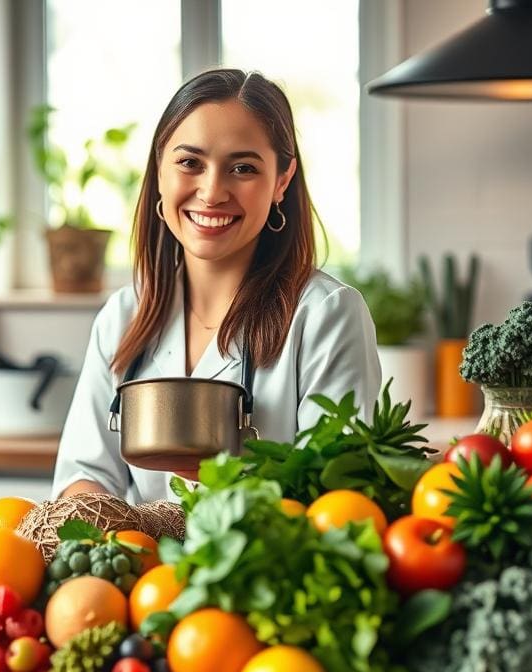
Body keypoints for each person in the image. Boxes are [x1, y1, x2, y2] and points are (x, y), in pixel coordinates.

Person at [51, 69, 381, 504]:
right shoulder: (124, 315)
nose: (211, 192)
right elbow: (83, 475)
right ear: (159, 169)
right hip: (141, 552)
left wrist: (226, 484)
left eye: (243, 168)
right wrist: (96, 515)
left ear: (282, 181)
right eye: (190, 163)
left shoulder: (326, 315)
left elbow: (339, 500)